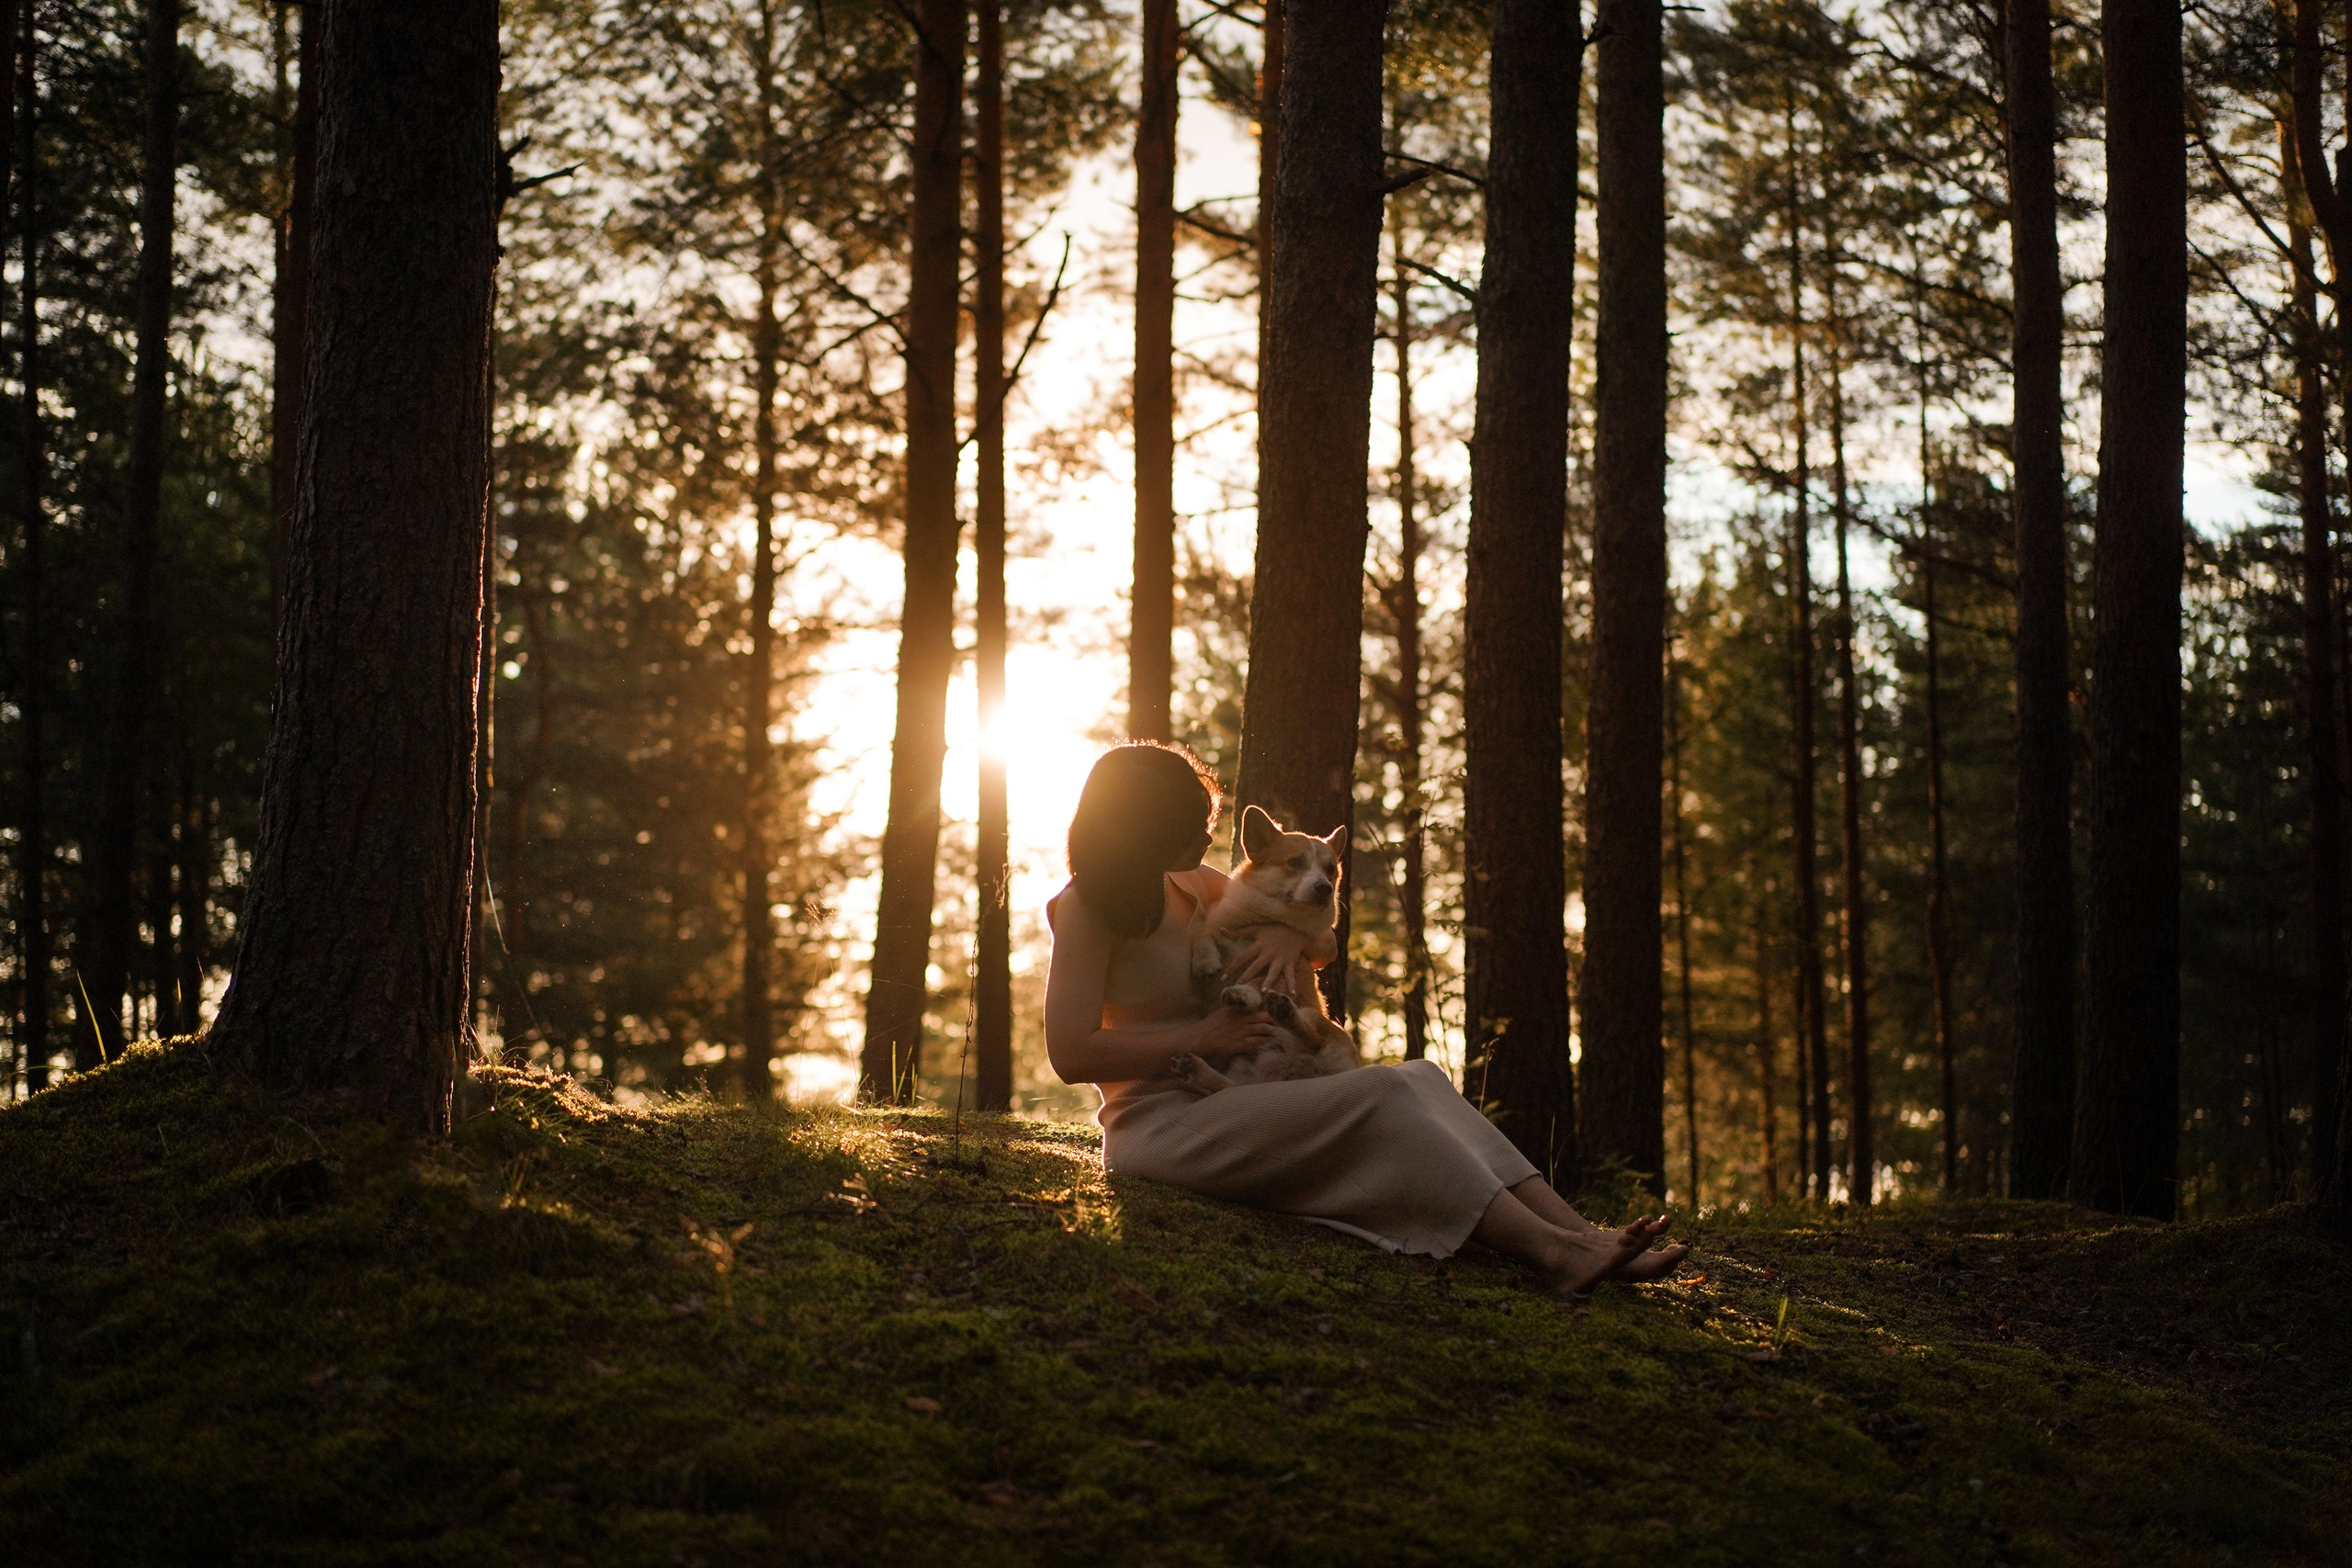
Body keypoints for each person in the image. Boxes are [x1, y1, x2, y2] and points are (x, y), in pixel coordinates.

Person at [1043, 741, 1690, 1296]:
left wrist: (1291, 942)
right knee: (1381, 1090)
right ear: (1142, 822)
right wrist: (1204, 1036)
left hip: (1237, 1094)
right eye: (1189, 823)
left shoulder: (1190, 881)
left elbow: (1320, 940)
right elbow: (1071, 1052)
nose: (1205, 835)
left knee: (1422, 1077)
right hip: (1161, 1124)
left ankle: (1581, 1232)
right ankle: (1554, 1254)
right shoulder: (1083, 908)